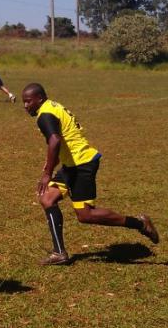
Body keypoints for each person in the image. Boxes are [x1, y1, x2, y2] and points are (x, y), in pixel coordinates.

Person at [21, 83, 159, 265]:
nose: (26, 106)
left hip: (81, 164)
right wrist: (52, 164)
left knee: (85, 215)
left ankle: (140, 224)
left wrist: (47, 173)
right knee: (47, 199)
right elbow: (61, 140)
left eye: (28, 101)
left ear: (39, 98)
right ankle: (59, 253)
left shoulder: (45, 115)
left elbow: (54, 141)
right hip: (72, 165)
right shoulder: (52, 107)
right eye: (23, 102)